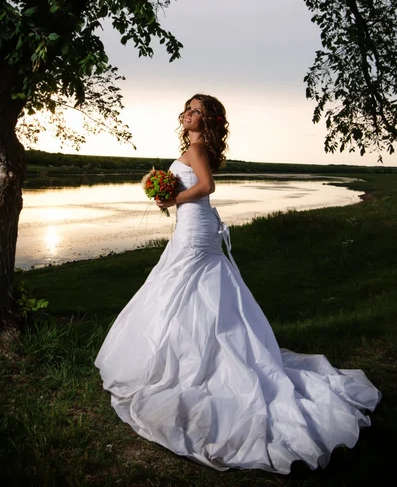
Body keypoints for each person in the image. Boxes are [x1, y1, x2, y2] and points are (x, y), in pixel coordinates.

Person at [95, 94, 381, 474]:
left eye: (197, 110)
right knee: (187, 289)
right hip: (194, 225)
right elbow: (195, 190)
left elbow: (207, 187)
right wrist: (168, 198)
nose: (189, 113)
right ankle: (192, 353)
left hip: (196, 229)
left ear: (208, 121)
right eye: (188, 108)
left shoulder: (196, 149)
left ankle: (203, 362)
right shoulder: (191, 147)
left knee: (190, 286)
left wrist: (174, 195)